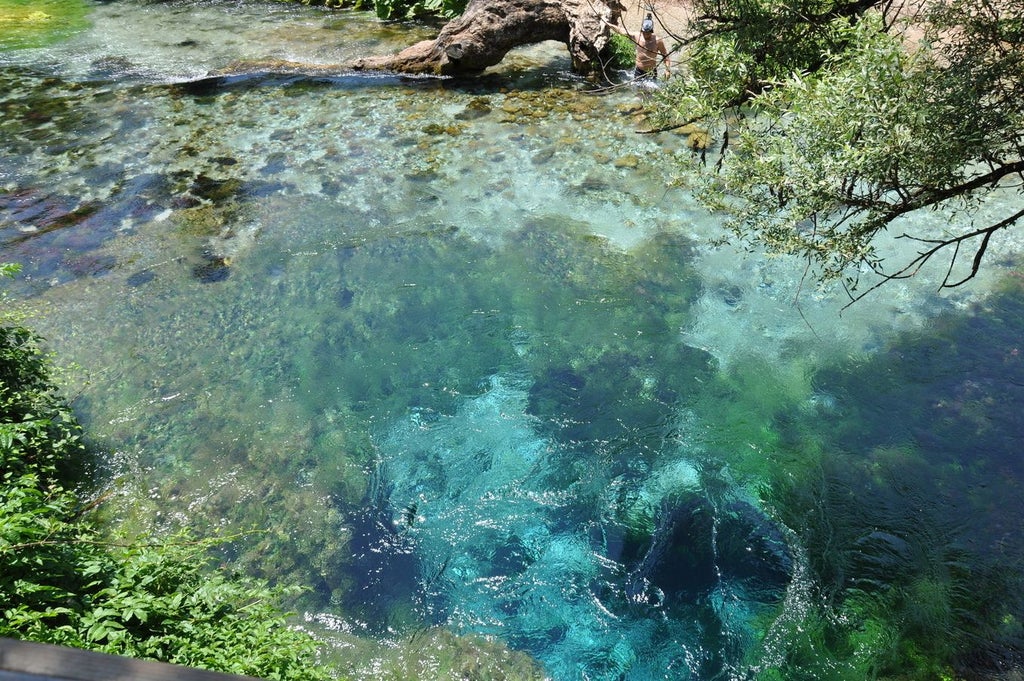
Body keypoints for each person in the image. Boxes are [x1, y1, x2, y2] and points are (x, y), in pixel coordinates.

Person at [605, 12, 671, 81]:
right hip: (639, 71)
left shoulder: (658, 41)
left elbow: (665, 56)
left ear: (651, 31)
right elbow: (622, 31)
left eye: (648, 33)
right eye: (644, 32)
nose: (646, 35)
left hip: (651, 72)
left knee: (650, 91)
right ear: (642, 30)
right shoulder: (637, 36)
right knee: (638, 90)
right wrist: (609, 24)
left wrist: (668, 70)